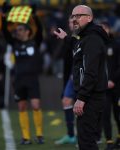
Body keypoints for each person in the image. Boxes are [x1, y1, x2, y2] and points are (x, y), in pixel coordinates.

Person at [54, 5, 109, 150]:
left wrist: (82, 98)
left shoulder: (92, 39)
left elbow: (91, 72)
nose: (74, 19)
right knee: (85, 139)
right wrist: (66, 38)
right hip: (90, 95)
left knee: (86, 141)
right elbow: (78, 47)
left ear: (89, 18)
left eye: (79, 15)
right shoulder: (85, 37)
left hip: (91, 96)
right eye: (73, 16)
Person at [1, 2, 44, 145]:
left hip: (32, 79)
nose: (17, 32)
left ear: (27, 31)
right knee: (21, 107)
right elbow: (5, 31)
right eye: (17, 30)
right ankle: (26, 137)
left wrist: (34, 16)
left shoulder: (35, 42)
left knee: (36, 105)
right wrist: (3, 16)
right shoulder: (14, 43)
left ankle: (39, 134)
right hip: (19, 79)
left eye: (20, 29)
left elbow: (40, 30)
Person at [54, 18, 78, 145]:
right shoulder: (67, 39)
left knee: (86, 107)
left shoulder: (84, 38)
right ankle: (71, 135)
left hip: (83, 76)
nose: (72, 24)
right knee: (66, 101)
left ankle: (92, 135)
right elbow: (66, 61)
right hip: (71, 77)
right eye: (69, 22)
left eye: (74, 21)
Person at [100, 21, 120, 150]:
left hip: (117, 86)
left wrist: (112, 80)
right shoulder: (97, 46)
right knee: (105, 114)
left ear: (108, 30)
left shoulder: (117, 45)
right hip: (103, 88)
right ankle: (109, 141)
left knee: (118, 114)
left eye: (103, 29)